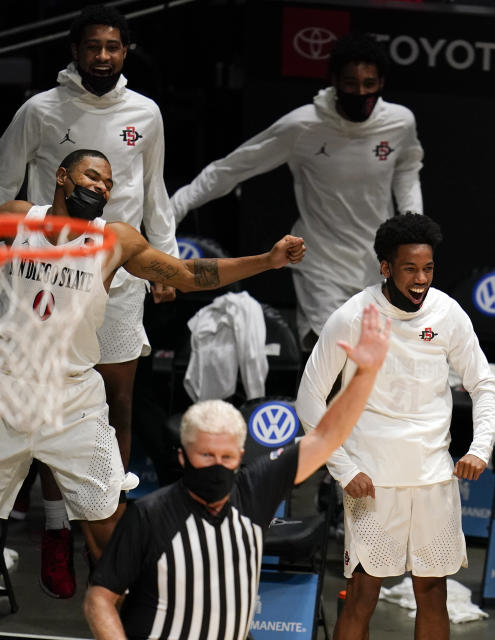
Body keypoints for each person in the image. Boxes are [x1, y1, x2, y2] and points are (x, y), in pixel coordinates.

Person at [0, 149, 305, 584]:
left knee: (108, 528)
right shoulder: (18, 219)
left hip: (72, 400)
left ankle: (129, 618)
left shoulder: (117, 239)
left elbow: (188, 274)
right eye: (93, 177)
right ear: (62, 176)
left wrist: (266, 261)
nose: (103, 188)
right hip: (9, 387)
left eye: (109, 184)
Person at [0, 4, 179, 597]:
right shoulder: (39, 110)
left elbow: (154, 193)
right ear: (75, 51)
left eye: (113, 47)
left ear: (126, 52)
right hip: (46, 277)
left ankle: (97, 520)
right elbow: (4, 190)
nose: (103, 56)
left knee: (114, 404)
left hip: (119, 275)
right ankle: (56, 529)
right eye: (92, 46)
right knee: (49, 397)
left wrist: (166, 264)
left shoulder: (145, 113)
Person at [83, 303, 389, 640]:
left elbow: (327, 436)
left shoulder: (254, 491)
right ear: (183, 458)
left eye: (226, 457)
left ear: (240, 456)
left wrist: (365, 375)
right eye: (206, 455)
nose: (217, 466)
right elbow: (99, 599)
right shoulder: (149, 517)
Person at [296, 213, 495, 640]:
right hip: (372, 480)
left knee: (432, 591)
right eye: (410, 268)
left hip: (433, 477)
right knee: (363, 592)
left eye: (428, 268)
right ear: (386, 268)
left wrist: (480, 447)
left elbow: (484, 383)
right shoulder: (353, 316)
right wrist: (344, 468)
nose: (421, 278)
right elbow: (309, 399)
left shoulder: (448, 313)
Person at [170, 33, 423, 350]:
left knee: (375, 365)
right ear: (333, 81)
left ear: (381, 83)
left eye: (369, 84)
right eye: (350, 83)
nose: (360, 92)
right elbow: (231, 169)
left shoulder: (399, 122)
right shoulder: (303, 126)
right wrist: (174, 208)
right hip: (320, 265)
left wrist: (415, 226)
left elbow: (408, 169)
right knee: (332, 357)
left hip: (375, 264)